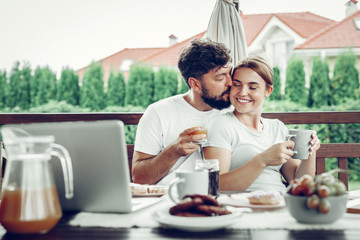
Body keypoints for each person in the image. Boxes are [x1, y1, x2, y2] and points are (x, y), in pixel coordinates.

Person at [203, 56, 321, 191]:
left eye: (252, 87)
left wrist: (310, 151)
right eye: (237, 84)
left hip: (279, 203)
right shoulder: (221, 124)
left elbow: (298, 182)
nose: (242, 92)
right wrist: (263, 160)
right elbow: (216, 185)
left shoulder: (277, 128)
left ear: (268, 91)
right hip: (243, 206)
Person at [132, 38, 233, 185]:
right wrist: (174, 150)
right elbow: (139, 178)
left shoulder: (235, 111)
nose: (230, 82)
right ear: (195, 84)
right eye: (220, 78)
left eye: (230, 73)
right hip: (169, 199)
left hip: (218, 197)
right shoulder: (159, 112)